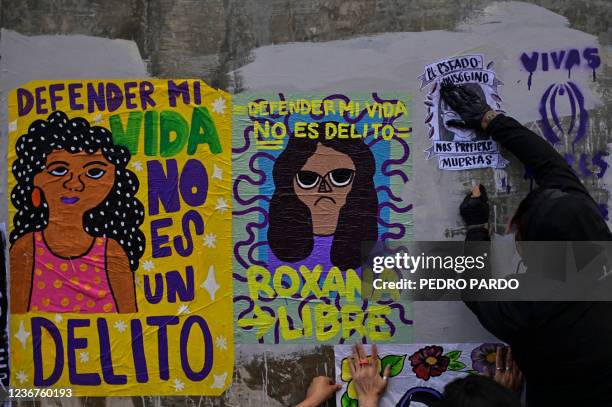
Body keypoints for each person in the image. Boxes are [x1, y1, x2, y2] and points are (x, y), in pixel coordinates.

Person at [442, 83, 612, 406]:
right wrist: (490, 119)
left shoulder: (531, 306)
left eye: (519, 235)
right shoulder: (589, 230)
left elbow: (472, 288)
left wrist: (477, 227)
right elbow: (549, 165)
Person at [10, 111, 145, 314]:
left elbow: (131, 322)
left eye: (93, 172)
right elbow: (15, 325)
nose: (74, 184)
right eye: (58, 170)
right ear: (35, 177)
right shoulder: (25, 250)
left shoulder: (113, 253)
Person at [268, 124, 378, 271]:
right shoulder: (263, 253)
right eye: (308, 178)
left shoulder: (379, 252)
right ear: (290, 184)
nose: (324, 188)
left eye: (340, 176)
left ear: (359, 182)